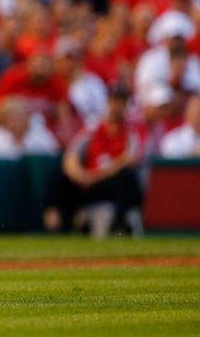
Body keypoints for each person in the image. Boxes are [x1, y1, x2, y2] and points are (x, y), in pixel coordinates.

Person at [43, 84, 143, 237]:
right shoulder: (93, 128)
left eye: (120, 102)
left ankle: (118, 224)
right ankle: (56, 222)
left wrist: (95, 176)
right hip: (88, 182)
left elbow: (127, 161)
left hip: (109, 183)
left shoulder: (131, 132)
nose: (116, 106)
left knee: (127, 177)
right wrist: (80, 175)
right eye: (113, 101)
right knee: (58, 174)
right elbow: (71, 155)